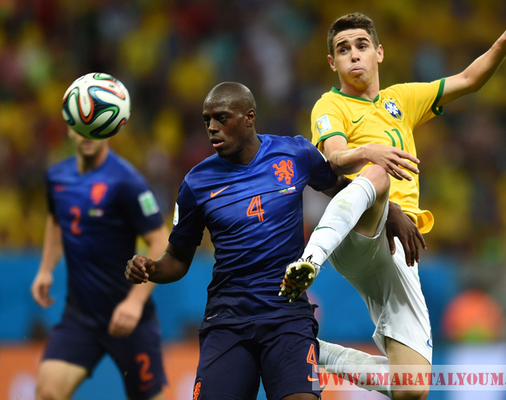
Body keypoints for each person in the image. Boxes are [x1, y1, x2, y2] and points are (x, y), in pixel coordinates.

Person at [279, 4, 506, 400]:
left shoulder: (401, 99)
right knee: (378, 172)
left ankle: (306, 348)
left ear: (379, 53)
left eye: (361, 45)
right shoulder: (329, 105)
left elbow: (469, 79)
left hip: (402, 249)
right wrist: (371, 155)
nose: (354, 54)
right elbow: (334, 157)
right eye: (343, 49)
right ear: (332, 62)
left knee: (412, 387)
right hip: (359, 228)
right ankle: (309, 261)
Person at [124, 82, 422, 400]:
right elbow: (177, 259)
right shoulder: (196, 183)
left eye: (221, 118)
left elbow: (344, 188)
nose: (212, 128)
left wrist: (390, 210)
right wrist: (151, 268)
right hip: (227, 321)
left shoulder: (295, 154)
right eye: (207, 120)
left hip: (288, 316)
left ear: (249, 117)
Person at [31, 126, 169, 400]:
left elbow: (161, 241)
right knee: (48, 393)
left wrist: (135, 302)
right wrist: (45, 269)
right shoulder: (57, 177)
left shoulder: (127, 181)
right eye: (81, 127)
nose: (88, 135)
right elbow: (56, 219)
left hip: (129, 319)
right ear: (70, 129)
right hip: (81, 317)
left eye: (96, 127)